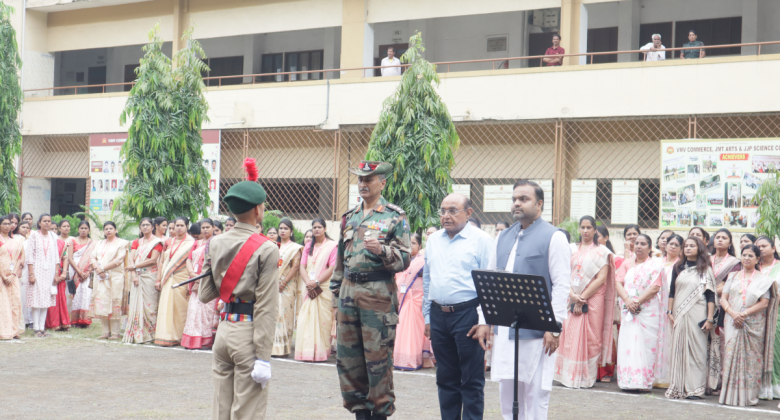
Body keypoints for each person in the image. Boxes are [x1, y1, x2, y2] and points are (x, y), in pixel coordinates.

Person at [197, 159, 279, 420]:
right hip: (248, 334)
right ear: (258, 209)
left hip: (223, 331)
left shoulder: (215, 242)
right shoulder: (267, 248)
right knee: (247, 412)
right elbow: (266, 306)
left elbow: (205, 293)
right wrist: (264, 357)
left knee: (221, 409)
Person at [332, 161, 411, 420]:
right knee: (348, 360)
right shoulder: (350, 217)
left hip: (378, 295)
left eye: (369, 179)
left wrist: (383, 250)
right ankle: (359, 413)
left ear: (382, 183)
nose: (363, 184)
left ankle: (380, 413)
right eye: (360, 180)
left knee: (377, 360)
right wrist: (336, 295)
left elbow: (405, 258)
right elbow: (340, 261)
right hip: (348, 293)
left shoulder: (394, 215)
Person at [489, 180, 570, 420]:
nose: (516, 203)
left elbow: (562, 285)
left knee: (535, 392)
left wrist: (553, 327)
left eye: (523, 199)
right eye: (514, 199)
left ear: (539, 203)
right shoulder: (503, 236)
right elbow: (491, 278)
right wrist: (486, 321)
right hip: (506, 327)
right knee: (507, 388)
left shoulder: (554, 237)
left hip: (538, 330)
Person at [422, 193, 492, 418]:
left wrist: (484, 321)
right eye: (443, 211)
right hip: (438, 315)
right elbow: (427, 280)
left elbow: (488, 285)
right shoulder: (433, 240)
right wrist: (427, 317)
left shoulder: (482, 241)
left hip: (468, 316)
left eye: (453, 210)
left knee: (471, 380)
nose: (446, 216)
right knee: (445, 378)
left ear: (469, 213)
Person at [554, 215, 616, 389]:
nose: (586, 231)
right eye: (583, 227)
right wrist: (573, 295)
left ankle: (586, 377)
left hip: (593, 299)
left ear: (595, 230)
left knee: (591, 338)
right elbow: (563, 273)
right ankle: (567, 375)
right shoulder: (571, 249)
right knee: (570, 334)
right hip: (571, 296)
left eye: (589, 227)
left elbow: (602, 278)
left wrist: (582, 297)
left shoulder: (602, 251)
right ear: (579, 229)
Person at [720, 244, 777, 406]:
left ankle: (747, 397)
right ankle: (729, 396)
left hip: (752, 325)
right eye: (744, 255)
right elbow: (723, 298)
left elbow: (764, 303)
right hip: (732, 321)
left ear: (758, 259)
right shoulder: (732, 276)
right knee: (730, 356)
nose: (746, 258)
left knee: (751, 360)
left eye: (750, 256)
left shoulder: (763, 280)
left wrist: (743, 314)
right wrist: (732, 313)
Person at [665, 237, 716, 399]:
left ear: (699, 248)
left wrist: (709, 319)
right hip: (679, 313)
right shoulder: (678, 267)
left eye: (692, 246)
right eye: (686, 246)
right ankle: (679, 386)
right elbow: (672, 291)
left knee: (698, 350)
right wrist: (669, 311)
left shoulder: (705, 268)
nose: (687, 248)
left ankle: (696, 389)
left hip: (698, 313)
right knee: (679, 348)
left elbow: (710, 295)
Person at [615, 234, 666, 391]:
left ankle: (645, 382)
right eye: (636, 243)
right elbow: (617, 282)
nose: (638, 246)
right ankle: (628, 380)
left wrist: (637, 302)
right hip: (629, 310)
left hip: (648, 311)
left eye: (643, 244)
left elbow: (655, 287)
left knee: (647, 345)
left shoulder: (655, 265)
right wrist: (628, 300)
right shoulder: (627, 264)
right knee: (629, 343)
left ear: (650, 248)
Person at [295, 218, 338, 362]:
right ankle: (306, 351)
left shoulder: (332, 246)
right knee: (305, 318)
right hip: (308, 286)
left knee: (323, 319)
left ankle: (320, 352)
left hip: (323, 287)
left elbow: (332, 268)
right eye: (314, 227)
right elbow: (302, 266)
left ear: (325, 229)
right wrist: (308, 282)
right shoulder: (308, 246)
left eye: (319, 227)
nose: (316, 229)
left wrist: (317, 282)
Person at [394, 232, 434, 370]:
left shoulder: (422, 261)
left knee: (415, 329)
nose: (410, 246)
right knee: (402, 327)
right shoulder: (399, 260)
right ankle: (402, 357)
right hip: (403, 298)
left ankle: (415, 358)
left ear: (420, 245)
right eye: (407, 243)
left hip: (417, 299)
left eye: (413, 243)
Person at [709, 228, 741, 394]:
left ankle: (720, 381)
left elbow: (729, 285)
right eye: (717, 237)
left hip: (723, 306)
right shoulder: (706, 259)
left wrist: (709, 290)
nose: (720, 240)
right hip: (704, 304)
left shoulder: (734, 263)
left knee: (721, 343)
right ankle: (706, 380)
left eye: (724, 238)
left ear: (730, 243)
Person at [155, 217, 195, 347]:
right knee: (166, 307)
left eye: (181, 225)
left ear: (187, 226)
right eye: (177, 225)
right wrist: (159, 278)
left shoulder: (191, 242)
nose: (178, 228)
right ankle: (165, 336)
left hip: (181, 278)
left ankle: (179, 336)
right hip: (168, 277)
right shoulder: (168, 242)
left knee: (180, 308)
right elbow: (162, 261)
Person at [123, 218, 163, 344]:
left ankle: (151, 334)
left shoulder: (157, 242)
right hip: (137, 277)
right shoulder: (136, 242)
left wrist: (134, 267)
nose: (145, 227)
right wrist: (134, 275)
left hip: (150, 276)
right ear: (140, 228)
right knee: (136, 306)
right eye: (142, 225)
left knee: (150, 307)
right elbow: (131, 260)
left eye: (147, 225)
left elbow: (153, 260)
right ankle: (138, 334)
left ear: (152, 227)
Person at [182, 218, 219, 349]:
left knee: (206, 312)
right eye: (203, 227)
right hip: (195, 279)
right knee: (193, 310)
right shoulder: (197, 243)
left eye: (207, 227)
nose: (205, 230)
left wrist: (203, 276)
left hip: (208, 280)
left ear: (213, 227)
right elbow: (189, 259)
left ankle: (205, 340)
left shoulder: (216, 242)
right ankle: (191, 340)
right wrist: (192, 274)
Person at [88, 221, 128, 340]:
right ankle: (105, 332)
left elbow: (119, 259)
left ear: (116, 230)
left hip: (114, 277)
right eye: (106, 229)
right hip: (100, 277)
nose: (108, 230)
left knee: (114, 302)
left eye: (111, 228)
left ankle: (115, 333)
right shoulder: (99, 243)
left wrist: (103, 268)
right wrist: (97, 269)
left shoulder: (122, 243)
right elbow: (92, 257)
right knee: (102, 301)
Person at [272, 219, 303, 357]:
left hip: (287, 285)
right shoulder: (273, 246)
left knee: (284, 315)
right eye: (281, 228)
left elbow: (296, 266)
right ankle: (272, 347)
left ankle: (283, 348)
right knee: (272, 315)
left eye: (285, 228)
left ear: (291, 231)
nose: (282, 231)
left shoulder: (295, 248)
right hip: (272, 284)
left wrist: (283, 282)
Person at [26, 214, 58, 338]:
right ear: (39, 223)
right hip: (36, 270)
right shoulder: (34, 235)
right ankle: (35, 329)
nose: (47, 223)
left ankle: (42, 328)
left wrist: (56, 273)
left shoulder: (52, 236)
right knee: (36, 300)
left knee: (46, 300)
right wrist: (31, 274)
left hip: (48, 272)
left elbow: (56, 256)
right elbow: (29, 255)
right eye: (44, 221)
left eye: (49, 221)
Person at [68, 221, 94, 328]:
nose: (83, 230)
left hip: (88, 273)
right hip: (76, 272)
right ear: (78, 229)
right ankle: (75, 320)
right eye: (81, 228)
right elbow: (70, 258)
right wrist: (79, 272)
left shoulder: (93, 243)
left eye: (85, 228)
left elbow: (94, 258)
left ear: (89, 230)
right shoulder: (72, 241)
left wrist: (88, 272)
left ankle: (85, 320)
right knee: (77, 294)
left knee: (86, 294)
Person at [45, 220, 71, 331]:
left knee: (61, 297)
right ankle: (53, 323)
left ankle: (64, 322)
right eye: (52, 229)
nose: (54, 231)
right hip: (48, 272)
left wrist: (64, 273)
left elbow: (65, 258)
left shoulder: (61, 243)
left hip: (60, 272)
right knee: (51, 297)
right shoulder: (45, 243)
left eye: (55, 229)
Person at [0, 216, 22, 339]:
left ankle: (14, 331)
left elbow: (19, 258)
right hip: (1, 277)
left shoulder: (15, 241)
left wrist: (13, 274)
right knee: (2, 304)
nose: (8, 226)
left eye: (9, 224)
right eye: (4, 223)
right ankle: (4, 331)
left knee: (15, 302)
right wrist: (3, 276)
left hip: (12, 277)